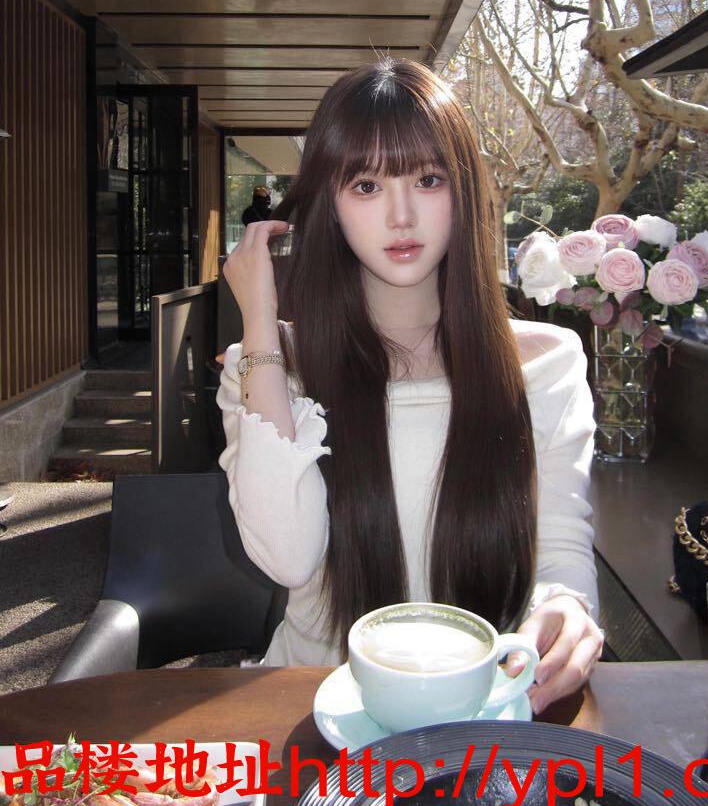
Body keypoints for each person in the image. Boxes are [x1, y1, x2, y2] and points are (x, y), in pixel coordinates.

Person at [217, 58, 602, 714]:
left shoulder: (547, 361)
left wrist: (567, 607)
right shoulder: (264, 369)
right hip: (311, 711)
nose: (401, 216)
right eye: (366, 185)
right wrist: (258, 322)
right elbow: (288, 557)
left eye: (427, 179)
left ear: (463, 191)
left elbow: (561, 549)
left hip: (485, 710)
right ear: (331, 204)